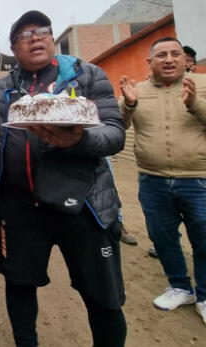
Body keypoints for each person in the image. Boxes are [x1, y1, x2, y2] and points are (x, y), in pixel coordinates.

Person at [0, 11, 127, 347]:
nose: (35, 37)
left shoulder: (86, 77)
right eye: (25, 34)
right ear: (14, 48)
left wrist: (79, 141)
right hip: (21, 207)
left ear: (52, 39)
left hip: (83, 206)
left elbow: (115, 134)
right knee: (20, 286)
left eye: (42, 31)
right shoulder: (0, 90)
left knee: (103, 296)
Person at [119, 37, 206, 324]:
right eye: (161, 55)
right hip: (152, 180)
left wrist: (195, 104)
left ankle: (204, 295)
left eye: (175, 54)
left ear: (185, 59)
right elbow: (118, 127)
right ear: (151, 62)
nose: (169, 60)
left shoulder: (202, 86)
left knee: (203, 239)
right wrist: (129, 105)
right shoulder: (137, 90)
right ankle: (180, 286)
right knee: (163, 237)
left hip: (198, 180)